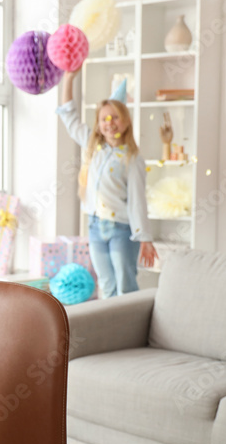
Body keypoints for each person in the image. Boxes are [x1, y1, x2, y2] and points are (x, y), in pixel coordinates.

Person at [57, 70, 156, 298]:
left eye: (115, 118)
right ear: (99, 123)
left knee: (125, 284)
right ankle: (111, 331)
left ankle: (130, 331)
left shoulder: (132, 159)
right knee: (106, 285)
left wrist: (145, 238)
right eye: (104, 119)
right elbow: (69, 117)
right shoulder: (94, 147)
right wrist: (69, 79)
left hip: (122, 229)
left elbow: (137, 202)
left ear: (126, 120)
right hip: (95, 227)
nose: (110, 123)